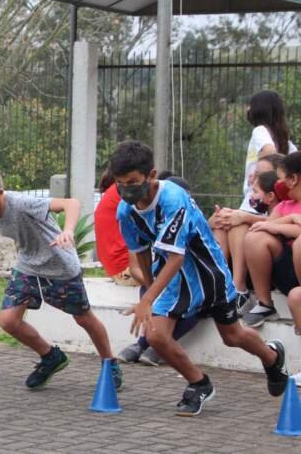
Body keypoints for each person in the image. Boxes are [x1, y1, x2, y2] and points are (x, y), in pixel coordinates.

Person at [112, 140, 287, 416]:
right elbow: (142, 252)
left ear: (152, 175)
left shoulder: (173, 199)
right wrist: (149, 290)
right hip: (171, 279)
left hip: (207, 272)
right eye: (119, 183)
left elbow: (177, 256)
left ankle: (272, 357)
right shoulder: (125, 211)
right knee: (157, 337)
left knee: (232, 335)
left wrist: (148, 298)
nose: (126, 189)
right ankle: (198, 383)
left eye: (132, 181)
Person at [0, 162, 123, 390]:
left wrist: (67, 231)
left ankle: (110, 362)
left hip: (60, 266)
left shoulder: (20, 203)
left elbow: (71, 203)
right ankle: (51, 357)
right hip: (29, 266)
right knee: (8, 321)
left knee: (83, 318)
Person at [108, 171, 200, 367]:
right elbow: (136, 268)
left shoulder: (193, 221)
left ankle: (149, 345)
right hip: (161, 281)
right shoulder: (138, 221)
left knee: (191, 300)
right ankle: (150, 343)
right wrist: (154, 289)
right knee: (154, 293)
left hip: (192, 283)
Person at [210, 153, 284, 314]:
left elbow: (278, 222)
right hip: (240, 261)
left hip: (266, 265)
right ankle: (219, 287)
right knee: (224, 221)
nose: (252, 178)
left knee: (240, 224)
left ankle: (239, 290)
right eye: (254, 173)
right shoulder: (255, 197)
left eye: (260, 174)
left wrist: (245, 217)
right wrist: (214, 220)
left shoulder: (284, 204)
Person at [243, 152, 301, 327]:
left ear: (293, 179)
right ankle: (264, 303)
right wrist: (288, 220)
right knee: (255, 237)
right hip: (288, 270)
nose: (277, 184)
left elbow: (276, 226)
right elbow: (267, 225)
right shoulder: (285, 205)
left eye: (280, 178)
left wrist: (278, 226)